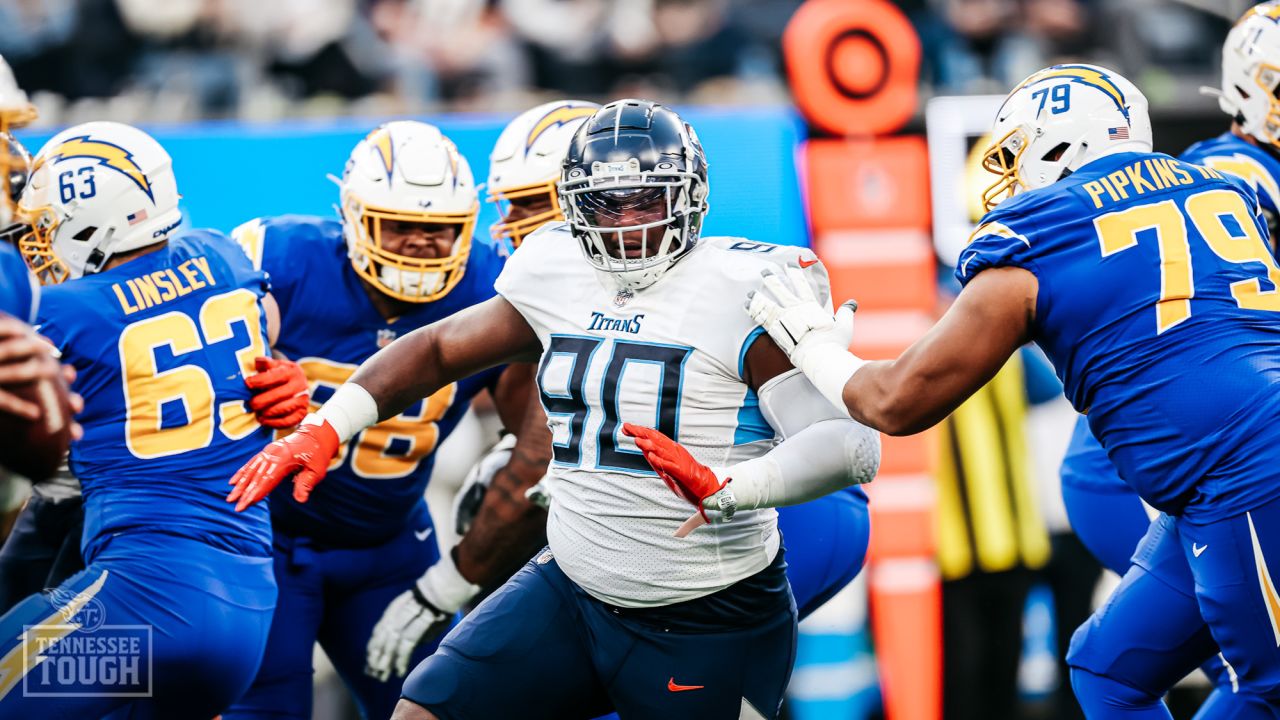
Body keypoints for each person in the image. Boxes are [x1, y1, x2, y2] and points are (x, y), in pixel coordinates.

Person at [227, 98, 881, 720]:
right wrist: (325, 425)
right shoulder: (554, 266)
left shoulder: (748, 284)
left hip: (714, 589)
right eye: (604, 203)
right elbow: (436, 350)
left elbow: (854, 447)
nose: (627, 221)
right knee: (428, 703)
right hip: (578, 580)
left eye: (646, 199)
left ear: (690, 194)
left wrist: (732, 487)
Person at [714, 63, 1280, 716]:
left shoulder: (1047, 232)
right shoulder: (1218, 185)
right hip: (1215, 476)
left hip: (1243, 473)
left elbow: (895, 402)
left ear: (1063, 146)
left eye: (1017, 151)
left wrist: (813, 346)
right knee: (1107, 669)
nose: (1009, 177)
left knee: (1265, 687)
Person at [222, 120, 551, 720]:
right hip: (265, 539)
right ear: (354, 216)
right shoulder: (283, 255)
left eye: (439, 231)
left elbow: (534, 437)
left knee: (443, 707)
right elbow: (217, 354)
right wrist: (250, 367)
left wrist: (518, 469)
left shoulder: (494, 282)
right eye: (400, 226)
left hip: (388, 546)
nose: (421, 244)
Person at [0, 121, 307, 717]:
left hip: (139, 608)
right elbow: (263, 324)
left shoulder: (62, 312)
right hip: (246, 612)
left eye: (44, 230)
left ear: (90, 222)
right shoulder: (224, 255)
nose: (37, 247)